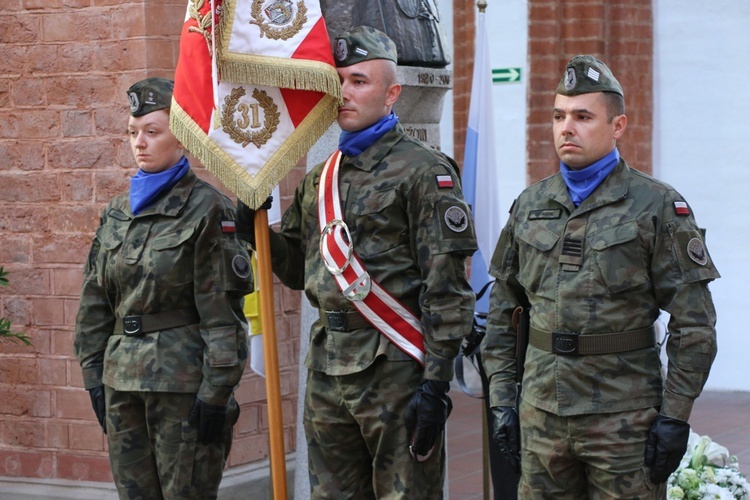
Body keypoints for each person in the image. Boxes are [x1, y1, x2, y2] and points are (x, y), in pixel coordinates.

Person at [237, 26, 477, 499]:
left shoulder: (425, 171)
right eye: (340, 80)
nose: (344, 92)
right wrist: (254, 227)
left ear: (392, 94)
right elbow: (295, 269)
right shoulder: (321, 178)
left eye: (360, 81)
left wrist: (436, 385)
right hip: (328, 366)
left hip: (395, 366)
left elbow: (446, 287)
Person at [481, 55, 719, 499]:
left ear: (617, 126)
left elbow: (695, 324)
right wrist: (502, 402)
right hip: (541, 414)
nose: (566, 128)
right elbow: (501, 312)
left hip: (623, 421)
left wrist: (674, 416)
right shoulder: (530, 205)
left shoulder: (657, 206)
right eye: (559, 116)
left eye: (583, 116)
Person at [74, 77, 252, 499]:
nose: (140, 143)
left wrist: (216, 393)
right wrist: (94, 377)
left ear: (183, 138)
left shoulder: (209, 209)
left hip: (182, 385)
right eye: (133, 132)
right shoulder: (117, 212)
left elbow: (223, 314)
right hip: (122, 383)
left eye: (153, 132)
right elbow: (95, 302)